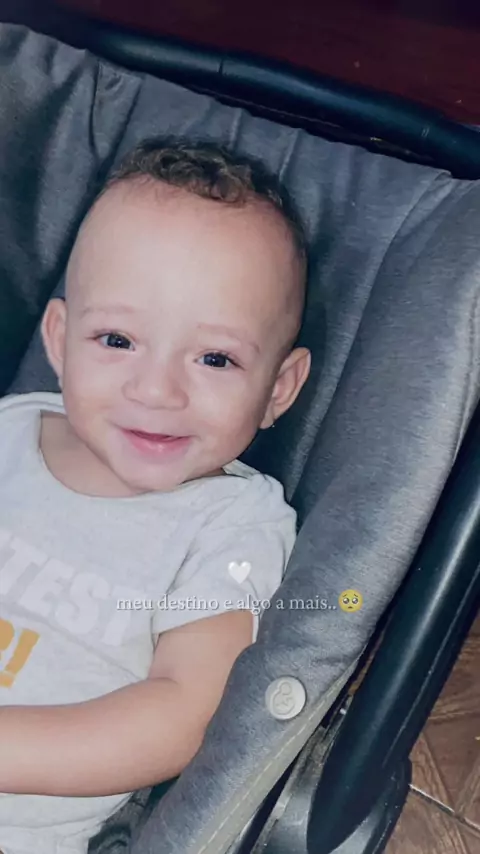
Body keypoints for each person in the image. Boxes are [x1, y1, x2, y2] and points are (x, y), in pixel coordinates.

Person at [0, 138, 311, 854]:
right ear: (60, 341)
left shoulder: (230, 525)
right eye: (117, 340)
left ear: (278, 389)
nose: (157, 390)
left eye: (214, 358)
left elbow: (180, 713)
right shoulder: (13, 427)